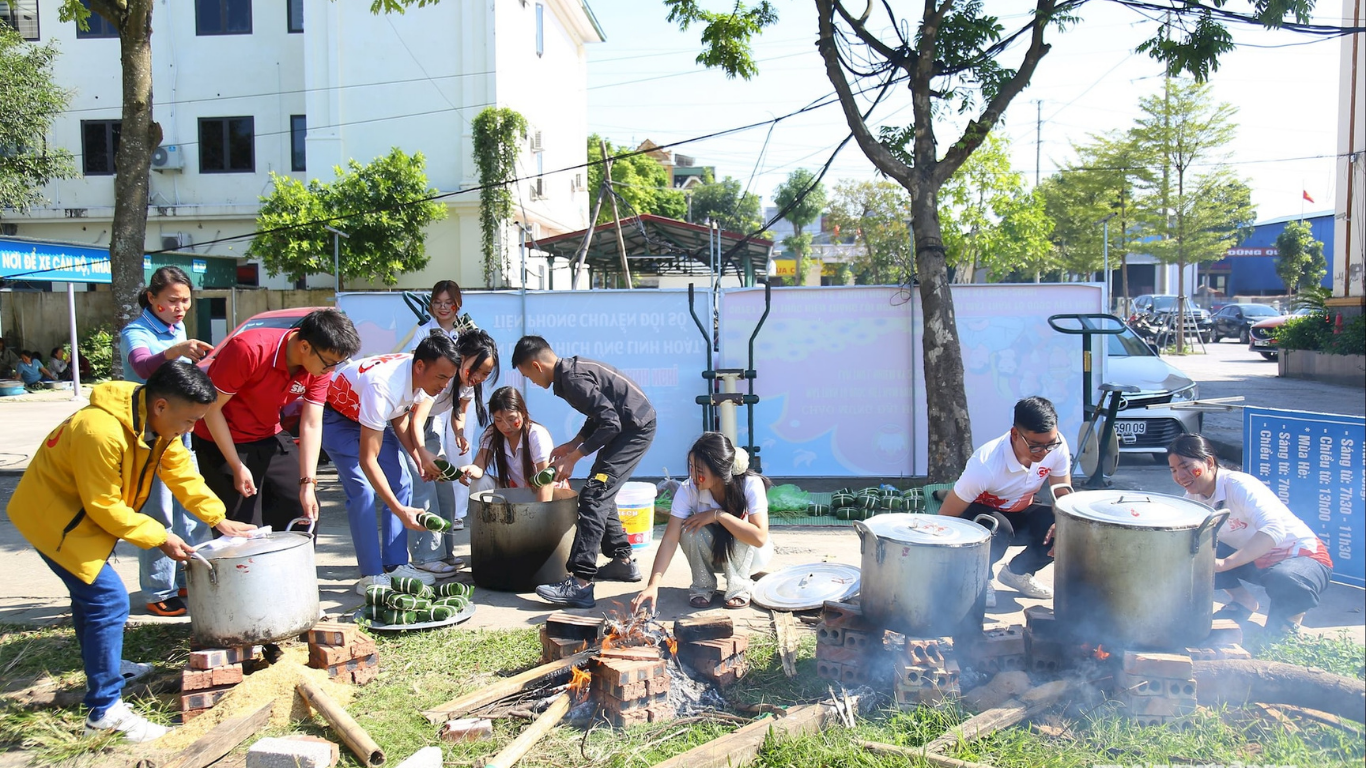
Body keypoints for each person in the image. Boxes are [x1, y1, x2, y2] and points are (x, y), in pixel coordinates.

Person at [6, 362, 255, 742]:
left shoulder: (155, 424)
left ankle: (106, 663)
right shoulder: (100, 431)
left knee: (91, 599)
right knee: (107, 600)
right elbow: (104, 506)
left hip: (79, 519)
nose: (191, 430)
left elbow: (181, 474)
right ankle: (104, 712)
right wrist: (161, 537)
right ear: (160, 406)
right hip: (55, 521)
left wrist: (218, 518)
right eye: (190, 421)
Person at [513, 335, 654, 608]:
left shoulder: (573, 379)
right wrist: (573, 443)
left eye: (527, 375)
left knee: (593, 496)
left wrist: (574, 457)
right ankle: (622, 561)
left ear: (536, 365)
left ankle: (580, 582)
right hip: (629, 425)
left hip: (635, 429)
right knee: (599, 489)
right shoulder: (570, 373)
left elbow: (610, 423)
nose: (530, 382)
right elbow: (599, 415)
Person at [194, 308, 361, 531]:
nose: (330, 370)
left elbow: (311, 423)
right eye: (329, 363)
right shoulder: (249, 349)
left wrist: (308, 484)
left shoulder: (320, 367)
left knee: (304, 512)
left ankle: (297, 566)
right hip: (222, 439)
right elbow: (211, 410)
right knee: (244, 528)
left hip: (268, 433)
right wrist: (237, 465)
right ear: (304, 346)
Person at [323, 333, 463, 594]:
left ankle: (396, 564)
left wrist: (419, 455)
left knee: (403, 480)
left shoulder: (418, 375)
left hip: (371, 418)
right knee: (362, 491)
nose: (444, 386)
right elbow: (368, 460)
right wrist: (400, 510)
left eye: (449, 379)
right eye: (441, 378)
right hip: (338, 419)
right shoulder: (383, 386)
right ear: (420, 366)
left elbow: (400, 414)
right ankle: (371, 573)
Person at [120, 267, 218, 616]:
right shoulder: (136, 332)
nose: (180, 308)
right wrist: (175, 351)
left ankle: (185, 575)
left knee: (191, 510)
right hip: (148, 434)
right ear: (152, 299)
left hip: (178, 431)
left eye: (186, 301)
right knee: (158, 513)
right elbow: (143, 366)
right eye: (172, 301)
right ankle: (157, 588)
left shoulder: (178, 328)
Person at [1167, 434, 1333, 635]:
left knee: (1284, 583)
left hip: (1303, 557)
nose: (1180, 476)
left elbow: (1274, 530)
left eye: (1185, 466)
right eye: (1174, 470)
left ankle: (1288, 626)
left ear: (1209, 462)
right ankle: (1242, 601)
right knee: (1189, 550)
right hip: (1258, 562)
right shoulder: (1193, 497)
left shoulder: (1239, 485)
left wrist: (1226, 563)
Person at [938, 396, 1074, 608]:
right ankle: (981, 579)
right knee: (999, 527)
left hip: (1020, 511)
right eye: (1036, 446)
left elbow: (1063, 496)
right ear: (1015, 434)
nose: (1045, 452)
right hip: (980, 518)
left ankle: (1018, 572)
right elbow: (945, 517)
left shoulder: (1058, 446)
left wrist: (1065, 526)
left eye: (1050, 444)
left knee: (1068, 524)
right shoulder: (985, 464)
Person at [632, 433, 773, 613]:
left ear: (719, 471)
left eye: (699, 471)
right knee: (688, 529)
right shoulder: (688, 489)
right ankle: (702, 586)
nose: (693, 475)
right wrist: (653, 584)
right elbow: (669, 539)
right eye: (691, 467)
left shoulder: (750, 485)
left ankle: (739, 587)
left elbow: (759, 538)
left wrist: (718, 515)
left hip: (752, 555)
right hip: (714, 555)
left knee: (736, 528)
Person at [405, 327, 499, 571]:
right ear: (462, 355)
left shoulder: (467, 384)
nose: (479, 377)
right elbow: (415, 419)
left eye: (486, 373)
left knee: (444, 486)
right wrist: (421, 454)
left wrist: (458, 433)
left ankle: (445, 552)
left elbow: (459, 412)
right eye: (476, 369)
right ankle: (426, 557)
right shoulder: (442, 376)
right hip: (406, 427)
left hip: (428, 427)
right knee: (423, 485)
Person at [455, 386, 557, 502]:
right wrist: (469, 470)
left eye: (511, 419)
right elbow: (479, 467)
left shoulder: (536, 434)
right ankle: (486, 519)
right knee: (480, 483)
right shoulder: (492, 433)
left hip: (550, 496)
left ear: (523, 413)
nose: (505, 426)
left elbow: (547, 482)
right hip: (519, 493)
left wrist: (539, 515)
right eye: (498, 420)